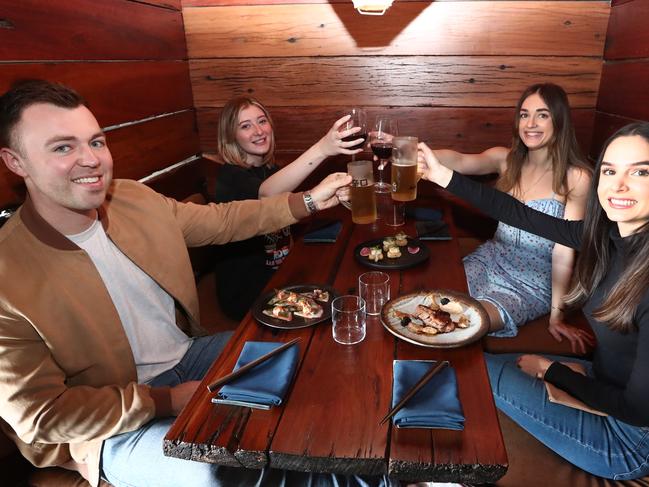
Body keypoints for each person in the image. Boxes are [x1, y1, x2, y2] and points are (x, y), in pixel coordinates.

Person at [0, 79, 392, 487]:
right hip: (107, 427)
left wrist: (311, 200)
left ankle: (379, 468)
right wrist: (165, 400)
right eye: (63, 147)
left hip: (189, 355)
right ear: (16, 162)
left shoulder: (134, 199)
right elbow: (40, 414)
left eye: (96, 142)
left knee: (315, 350)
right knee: (218, 471)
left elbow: (223, 221)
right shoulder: (7, 274)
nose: (91, 159)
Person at [416, 122, 649, 480]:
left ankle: (444, 470)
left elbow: (638, 410)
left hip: (629, 439)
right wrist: (443, 176)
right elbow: (520, 215)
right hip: (600, 382)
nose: (618, 185)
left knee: (462, 368)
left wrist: (551, 371)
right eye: (609, 170)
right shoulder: (606, 234)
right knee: (470, 359)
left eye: (640, 172)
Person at [428, 83, 593, 351]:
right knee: (434, 304)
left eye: (542, 114)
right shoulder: (505, 159)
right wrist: (408, 150)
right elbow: (457, 161)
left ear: (560, 120)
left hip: (531, 280)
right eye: (524, 114)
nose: (531, 123)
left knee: (464, 323)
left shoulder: (576, 178)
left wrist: (556, 315)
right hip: (490, 259)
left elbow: (564, 253)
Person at [212, 96, 364, 320]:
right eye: (245, 126)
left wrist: (332, 191)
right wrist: (322, 148)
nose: (258, 130)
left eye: (262, 121)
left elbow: (289, 205)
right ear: (230, 137)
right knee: (340, 304)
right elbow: (266, 194)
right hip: (250, 293)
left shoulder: (269, 169)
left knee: (348, 283)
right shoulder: (230, 177)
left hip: (281, 276)